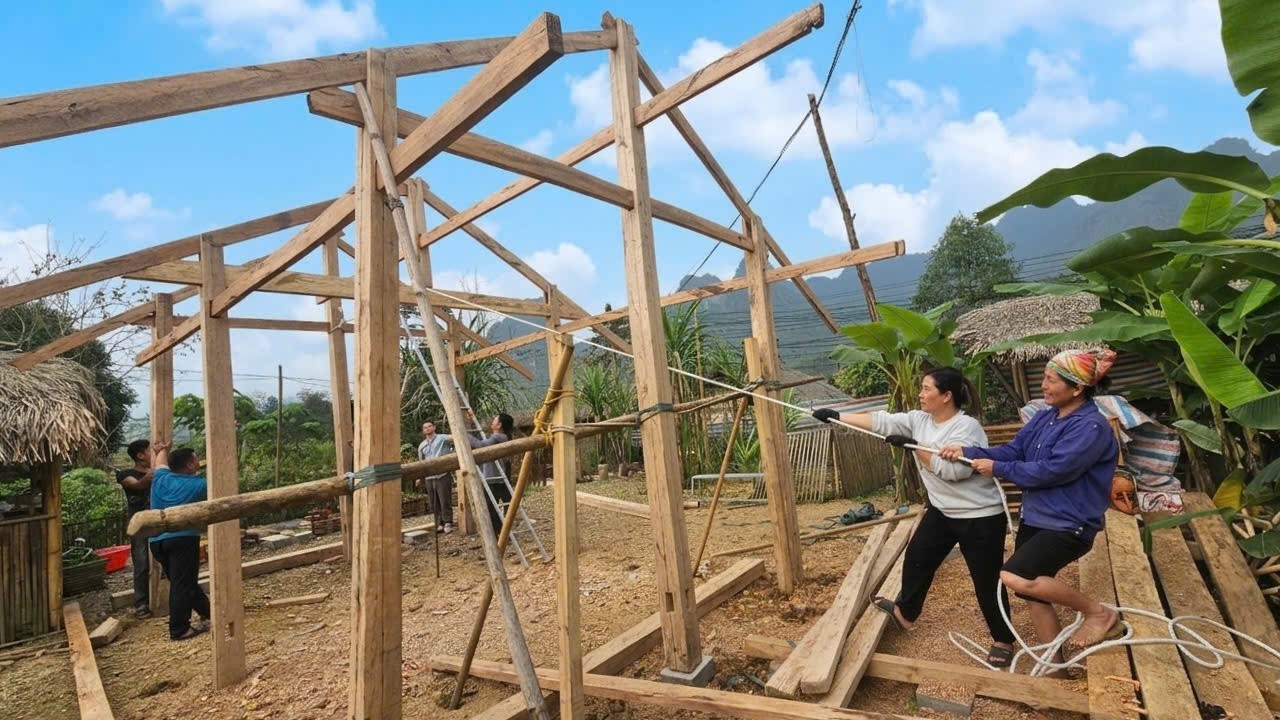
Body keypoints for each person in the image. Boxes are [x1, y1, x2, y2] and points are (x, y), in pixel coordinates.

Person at [813, 367, 1016, 667]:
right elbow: (882, 421)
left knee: (985, 581)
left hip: (979, 516)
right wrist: (837, 416)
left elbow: (953, 471)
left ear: (946, 396)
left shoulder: (967, 428)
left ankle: (1003, 640)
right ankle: (905, 613)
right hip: (943, 510)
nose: (920, 394)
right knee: (918, 557)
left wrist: (913, 448)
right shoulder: (919, 420)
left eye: (926, 389)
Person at [939, 348, 1121, 670]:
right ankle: (1053, 670)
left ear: (1077, 388)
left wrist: (997, 468)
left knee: (1015, 575)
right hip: (1037, 516)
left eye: (1051, 380)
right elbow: (1015, 450)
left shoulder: (1090, 427)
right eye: (1044, 378)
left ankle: (1098, 612)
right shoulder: (1046, 416)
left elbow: (1053, 470)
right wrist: (967, 450)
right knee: (1034, 592)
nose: (1044, 386)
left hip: (1070, 523)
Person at [148, 443, 210, 641]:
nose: (198, 462)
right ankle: (179, 629)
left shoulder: (161, 478)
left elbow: (159, 463)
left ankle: (208, 612)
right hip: (182, 539)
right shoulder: (199, 484)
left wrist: (163, 449)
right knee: (182, 583)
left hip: (157, 541)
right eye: (196, 459)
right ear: (190, 465)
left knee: (183, 581)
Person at [116, 439, 154, 619]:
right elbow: (140, 485)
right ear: (140, 455)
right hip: (138, 525)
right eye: (150, 451)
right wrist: (160, 466)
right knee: (141, 563)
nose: (153, 454)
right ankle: (141, 603)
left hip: (158, 520)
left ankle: (161, 596)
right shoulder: (125, 474)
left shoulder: (157, 471)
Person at [463, 410, 515, 533]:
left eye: (495, 420)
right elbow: (484, 440)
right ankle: (502, 530)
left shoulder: (497, 437)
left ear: (500, 425)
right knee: (502, 504)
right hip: (499, 477)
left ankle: (498, 532)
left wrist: (463, 433)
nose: (492, 421)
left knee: (491, 507)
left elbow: (481, 445)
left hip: (494, 477)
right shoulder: (502, 437)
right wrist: (473, 422)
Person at [417, 420, 455, 534]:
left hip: (442, 474)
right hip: (429, 477)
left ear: (434, 427)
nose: (427, 429)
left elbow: (456, 437)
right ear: (423, 431)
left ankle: (448, 522)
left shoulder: (442, 438)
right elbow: (421, 462)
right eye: (425, 427)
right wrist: (420, 477)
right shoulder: (422, 446)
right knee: (433, 501)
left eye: (429, 426)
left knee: (445, 499)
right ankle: (439, 523)